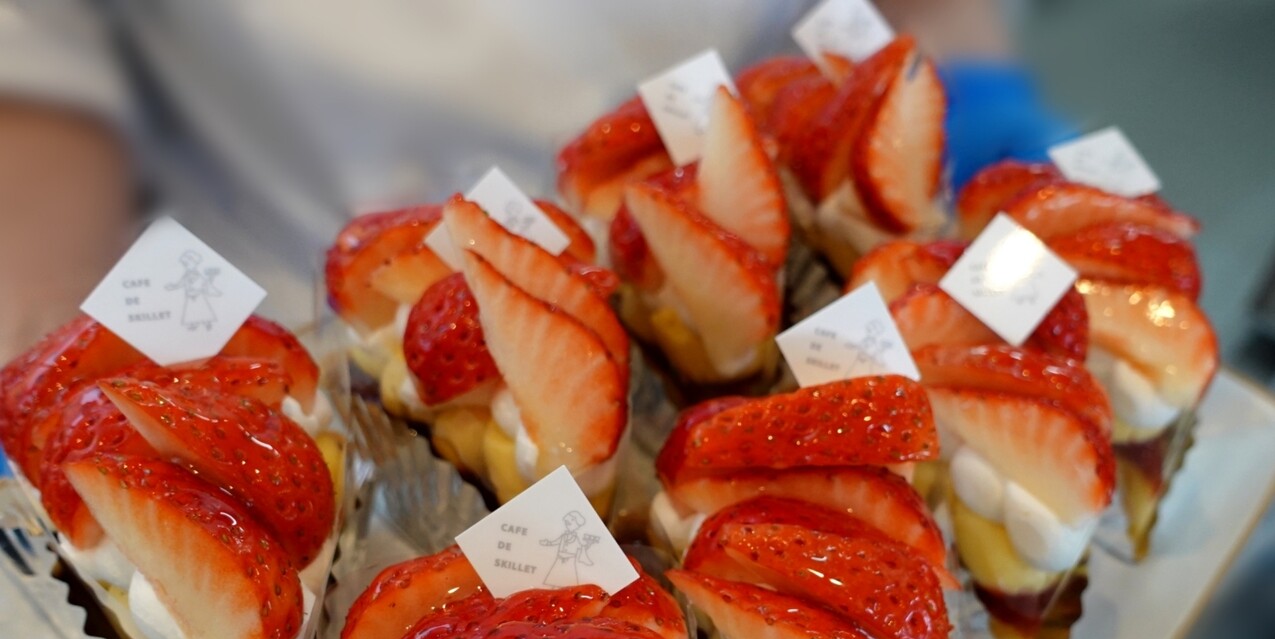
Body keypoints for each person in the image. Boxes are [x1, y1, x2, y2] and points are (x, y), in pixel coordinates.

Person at [0, 0, 1060, 366]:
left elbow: (924, 12)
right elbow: (36, 245)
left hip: (787, 206)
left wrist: (965, 107)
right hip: (344, 343)